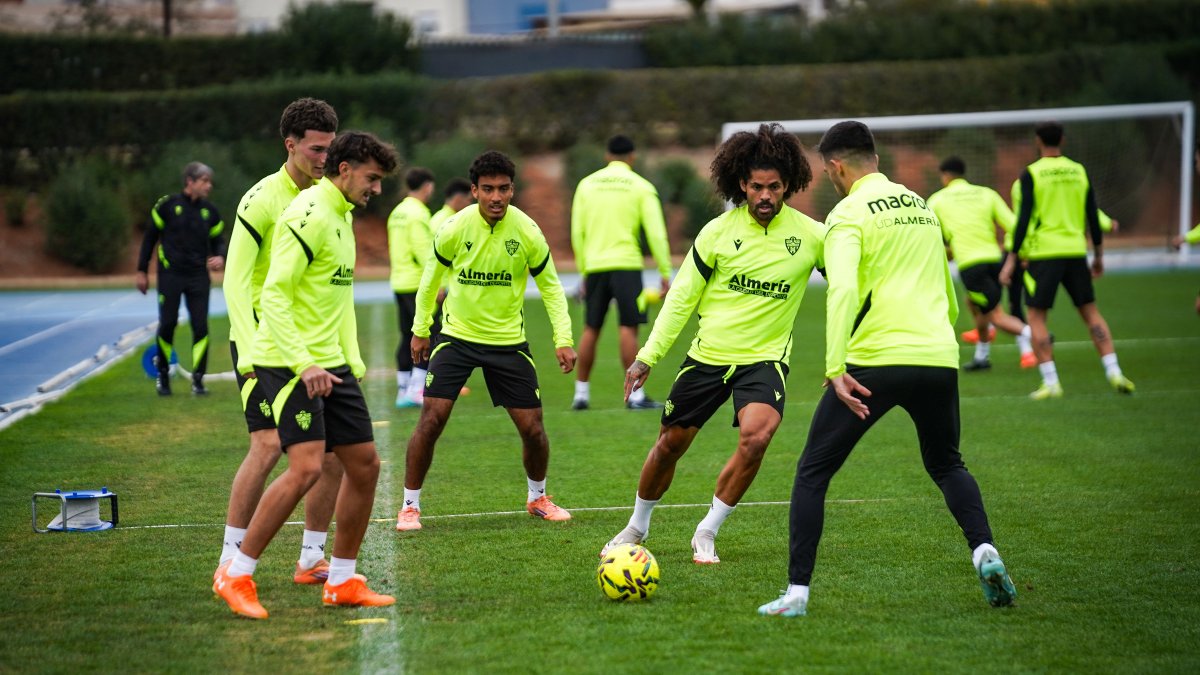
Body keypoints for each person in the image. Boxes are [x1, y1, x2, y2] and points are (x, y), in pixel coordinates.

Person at [758, 121, 1015, 618]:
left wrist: (836, 365)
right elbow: (947, 288)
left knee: (812, 472)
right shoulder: (921, 206)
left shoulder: (847, 213)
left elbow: (844, 290)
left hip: (875, 362)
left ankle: (796, 595)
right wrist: (939, 342)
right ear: (874, 157)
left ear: (835, 166)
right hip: (938, 356)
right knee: (946, 464)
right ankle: (985, 551)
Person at [601, 123, 826, 564]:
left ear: (788, 186)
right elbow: (680, 300)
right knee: (669, 445)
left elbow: (847, 290)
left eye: (774, 187)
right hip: (707, 357)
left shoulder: (813, 237)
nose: (765, 196)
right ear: (742, 184)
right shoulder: (717, 233)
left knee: (757, 437)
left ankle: (707, 530)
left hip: (765, 360)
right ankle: (637, 524)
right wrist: (647, 358)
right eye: (757, 187)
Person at [213, 131, 399, 619]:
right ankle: (236, 573)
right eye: (372, 179)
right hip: (288, 361)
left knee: (364, 464)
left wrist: (349, 365)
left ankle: (340, 580)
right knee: (306, 467)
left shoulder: (341, 216)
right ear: (345, 170)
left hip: (330, 364)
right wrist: (304, 363)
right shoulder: (308, 214)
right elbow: (273, 294)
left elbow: (335, 303)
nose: (376, 189)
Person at [395, 150, 577, 532]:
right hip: (457, 338)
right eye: (488, 189)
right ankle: (410, 505)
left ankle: (537, 497)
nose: (496, 197)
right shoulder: (454, 228)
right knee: (432, 418)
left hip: (508, 343)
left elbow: (551, 288)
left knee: (533, 429)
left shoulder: (527, 231)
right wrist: (420, 328)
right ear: (474, 190)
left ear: (513, 191)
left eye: (504, 189)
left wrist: (563, 338)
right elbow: (429, 281)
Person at [216, 97, 343, 587]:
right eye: (315, 149)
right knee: (268, 446)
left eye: (329, 149)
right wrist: (248, 353)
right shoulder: (261, 199)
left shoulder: (330, 198)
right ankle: (229, 559)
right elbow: (234, 281)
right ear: (289, 145)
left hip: (311, 349)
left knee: (331, 455)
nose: (323, 159)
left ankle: (311, 558)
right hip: (262, 349)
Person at [999, 121, 1134, 400]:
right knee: (1090, 312)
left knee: (1036, 317)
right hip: (1075, 251)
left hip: (1043, 254)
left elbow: (1023, 220)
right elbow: (1091, 216)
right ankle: (1114, 372)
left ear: (1038, 141)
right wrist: (1098, 255)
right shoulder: (1078, 170)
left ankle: (1051, 382)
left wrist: (1012, 258)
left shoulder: (1032, 174)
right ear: (1063, 139)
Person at [570, 135, 673, 411]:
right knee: (627, 327)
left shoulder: (586, 185)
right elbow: (656, 233)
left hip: (594, 267)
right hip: (627, 265)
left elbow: (576, 231)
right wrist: (665, 271)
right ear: (632, 157)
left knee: (591, 327)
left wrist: (584, 269)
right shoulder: (641, 186)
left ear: (606, 156)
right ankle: (636, 397)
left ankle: (581, 395)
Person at [927, 156, 1035, 370]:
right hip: (996, 261)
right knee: (974, 304)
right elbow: (1014, 225)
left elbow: (929, 235)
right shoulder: (987, 193)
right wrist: (1025, 252)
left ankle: (1035, 335)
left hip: (971, 265)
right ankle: (982, 357)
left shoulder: (937, 200)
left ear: (945, 176)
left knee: (995, 314)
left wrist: (946, 252)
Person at [136, 162, 225, 396]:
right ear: (190, 182)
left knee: (201, 327)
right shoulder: (167, 206)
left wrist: (220, 257)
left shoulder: (210, 212)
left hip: (198, 277)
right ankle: (163, 377)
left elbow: (219, 242)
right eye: (204, 181)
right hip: (170, 276)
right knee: (167, 324)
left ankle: (198, 379)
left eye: (209, 181)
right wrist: (141, 270)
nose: (209, 186)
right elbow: (149, 239)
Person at [388, 167, 437, 408]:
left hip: (399, 280)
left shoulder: (397, 212)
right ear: (427, 186)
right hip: (417, 283)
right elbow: (423, 252)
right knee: (427, 333)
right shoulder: (418, 213)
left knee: (407, 335)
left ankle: (403, 389)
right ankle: (417, 390)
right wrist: (434, 284)